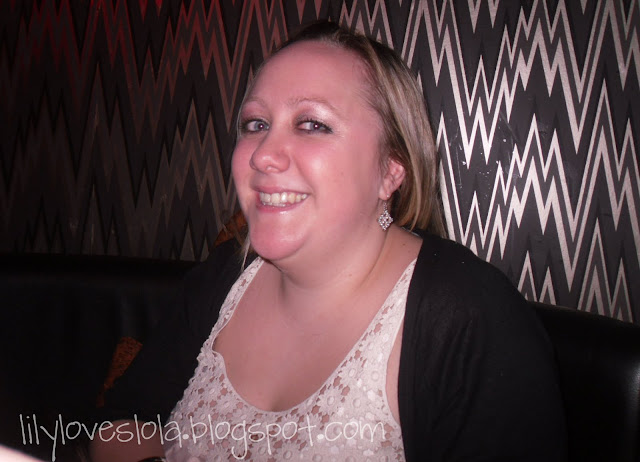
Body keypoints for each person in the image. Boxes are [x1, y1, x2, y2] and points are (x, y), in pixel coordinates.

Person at [90, 21, 567, 461]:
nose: (263, 155)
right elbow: (121, 422)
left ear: (391, 170)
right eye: (256, 124)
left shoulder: (471, 319)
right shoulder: (226, 274)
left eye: (312, 124)